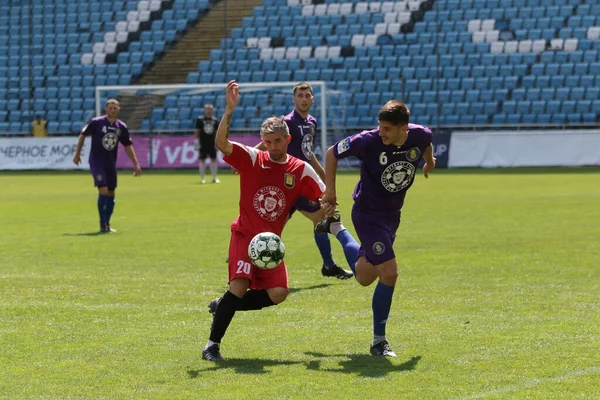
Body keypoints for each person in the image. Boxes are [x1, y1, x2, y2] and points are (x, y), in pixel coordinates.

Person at [202, 80, 326, 362]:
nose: (272, 147)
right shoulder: (253, 158)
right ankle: (212, 345)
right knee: (240, 286)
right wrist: (229, 110)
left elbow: (323, 194)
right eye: (268, 142)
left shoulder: (300, 169)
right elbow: (221, 143)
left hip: (270, 243)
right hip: (245, 236)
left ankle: (222, 306)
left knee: (279, 293)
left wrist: (330, 206)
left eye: (277, 141)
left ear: (288, 140)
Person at [317, 100, 436, 357]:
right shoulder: (367, 140)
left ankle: (336, 228)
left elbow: (426, 144)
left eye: (387, 129)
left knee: (364, 276)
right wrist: (330, 191)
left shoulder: (420, 133)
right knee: (389, 273)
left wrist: (429, 161)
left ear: (404, 128)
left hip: (392, 215)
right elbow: (331, 153)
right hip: (367, 214)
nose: (381, 132)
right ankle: (378, 342)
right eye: (380, 126)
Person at [239, 82, 353, 280]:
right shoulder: (287, 121)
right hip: (282, 183)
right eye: (300, 95)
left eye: (307, 95)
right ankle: (243, 257)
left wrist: (321, 174)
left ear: (312, 99)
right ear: (294, 99)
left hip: (300, 183)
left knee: (320, 219)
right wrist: (246, 158)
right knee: (267, 227)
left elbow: (308, 153)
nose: (304, 99)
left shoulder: (312, 123)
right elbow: (267, 140)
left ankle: (328, 265)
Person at [73, 99, 142, 233]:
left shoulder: (121, 127)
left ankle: (107, 223)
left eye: (115, 108)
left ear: (118, 110)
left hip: (110, 164)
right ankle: (102, 223)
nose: (112, 110)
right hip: (96, 162)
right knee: (103, 191)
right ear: (106, 109)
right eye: (110, 107)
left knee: (111, 193)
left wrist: (136, 164)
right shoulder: (96, 122)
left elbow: (127, 146)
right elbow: (83, 135)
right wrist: (77, 154)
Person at [194, 103, 220, 184]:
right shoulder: (200, 120)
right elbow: (197, 131)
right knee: (202, 160)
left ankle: (214, 178)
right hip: (203, 143)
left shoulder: (215, 120)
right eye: (207, 109)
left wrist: (218, 143)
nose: (209, 110)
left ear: (212, 110)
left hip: (212, 143)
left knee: (214, 160)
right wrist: (196, 142)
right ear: (205, 110)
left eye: (210, 109)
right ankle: (202, 178)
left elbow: (217, 133)